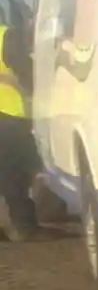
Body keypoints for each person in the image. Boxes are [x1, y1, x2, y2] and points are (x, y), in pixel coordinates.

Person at [0, 18, 42, 241]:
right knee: (14, 174)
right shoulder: (7, 37)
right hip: (9, 114)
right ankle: (24, 227)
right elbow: (28, 72)